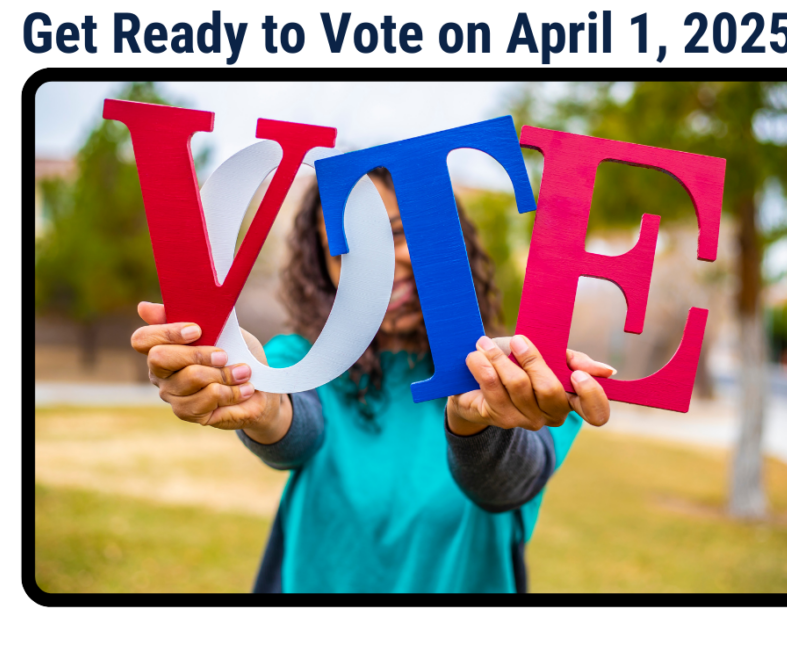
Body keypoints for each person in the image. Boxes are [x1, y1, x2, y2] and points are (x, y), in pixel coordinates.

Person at [131, 168, 615, 593]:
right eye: (346, 250)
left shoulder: (520, 374)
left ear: (448, 241)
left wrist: (478, 425)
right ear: (322, 267)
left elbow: (506, 485)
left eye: (399, 234)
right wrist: (256, 394)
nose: (379, 265)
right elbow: (295, 427)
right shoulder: (301, 360)